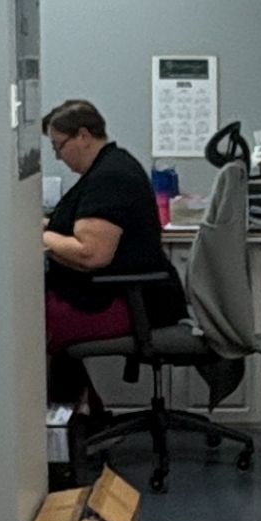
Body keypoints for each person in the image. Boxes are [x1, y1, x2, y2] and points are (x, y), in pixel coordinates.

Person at [41, 97, 176, 406]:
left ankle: (69, 417)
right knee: (36, 313)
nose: (58, 156)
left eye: (59, 146)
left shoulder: (110, 178)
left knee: (28, 323)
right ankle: (83, 416)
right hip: (118, 295)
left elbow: (91, 253)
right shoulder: (108, 167)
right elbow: (77, 229)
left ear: (83, 136)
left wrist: (42, 237)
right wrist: (46, 228)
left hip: (126, 302)